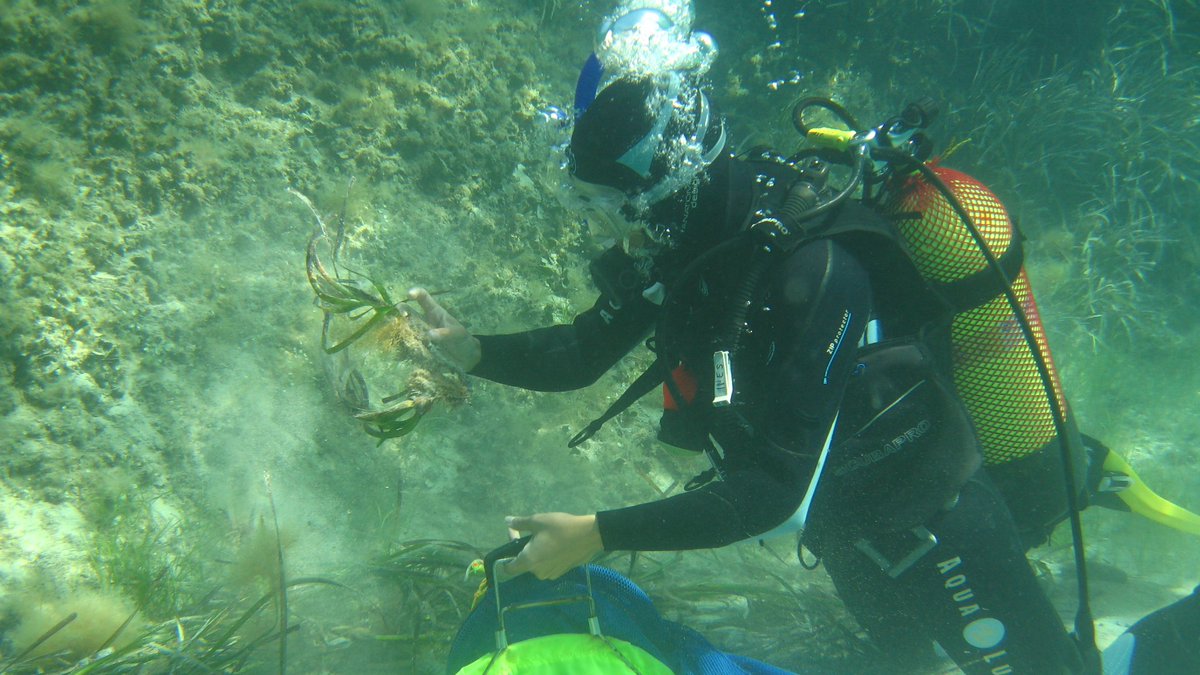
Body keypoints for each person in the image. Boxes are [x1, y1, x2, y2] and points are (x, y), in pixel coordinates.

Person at [409, 5, 1200, 673]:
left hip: (933, 524)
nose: (608, 226)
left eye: (606, 202)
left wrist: (597, 533)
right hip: (852, 536)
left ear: (654, 181)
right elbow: (583, 351)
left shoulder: (813, 269)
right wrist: (472, 348)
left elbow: (771, 492)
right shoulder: (694, 250)